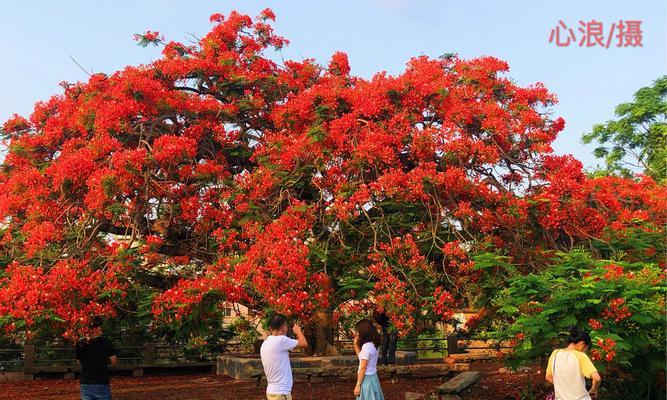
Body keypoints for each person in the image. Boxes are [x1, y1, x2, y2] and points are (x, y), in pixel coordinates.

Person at [260, 314, 308, 400]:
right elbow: (304, 343)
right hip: (281, 393)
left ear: (270, 328)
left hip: (271, 392)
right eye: (286, 326)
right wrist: (298, 331)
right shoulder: (281, 341)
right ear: (284, 327)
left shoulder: (265, 343)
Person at [545, 326, 602, 399]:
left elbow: (548, 377)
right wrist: (593, 389)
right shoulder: (581, 356)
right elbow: (597, 378)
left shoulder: (555, 354)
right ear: (582, 344)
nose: (584, 351)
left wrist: (564, 388)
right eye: (586, 349)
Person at [75, 317, 117, 400]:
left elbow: (79, 362)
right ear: (97, 328)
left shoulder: (80, 344)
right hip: (101, 382)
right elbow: (114, 361)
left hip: (85, 382)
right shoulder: (106, 343)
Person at [353, 319, 384, 400]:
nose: (357, 333)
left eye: (358, 330)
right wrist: (355, 345)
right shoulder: (373, 343)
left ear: (364, 331)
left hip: (367, 380)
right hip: (373, 377)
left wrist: (358, 385)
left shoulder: (367, 346)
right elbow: (361, 358)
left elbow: (363, 368)